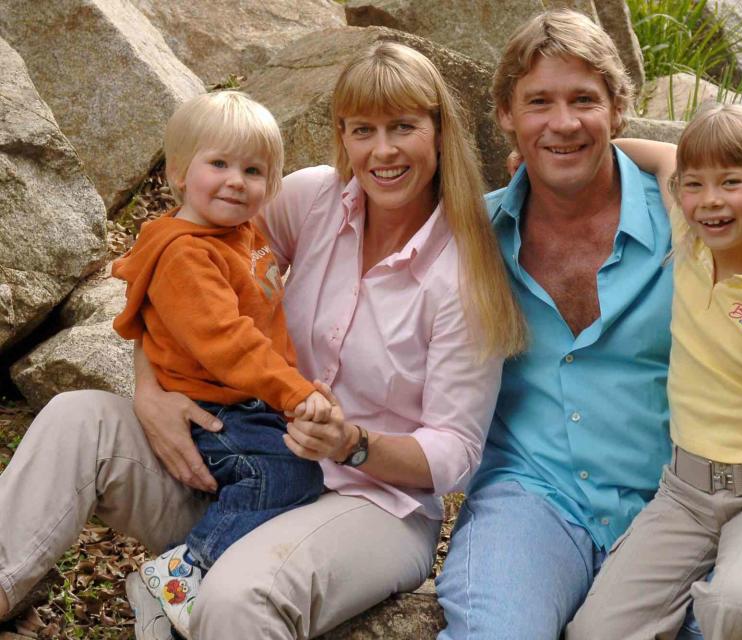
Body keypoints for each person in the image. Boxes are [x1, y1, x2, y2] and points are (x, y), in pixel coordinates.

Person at [0, 41, 525, 639]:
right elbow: (190, 287)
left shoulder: (463, 274)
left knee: (234, 600)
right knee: (77, 420)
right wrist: (149, 390)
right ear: (342, 136)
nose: (382, 150)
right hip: (246, 468)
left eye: (403, 127)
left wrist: (351, 443)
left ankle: (190, 577)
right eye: (363, 130)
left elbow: (455, 452)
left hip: (374, 504)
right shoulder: (311, 199)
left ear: (437, 131)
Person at [435, 10, 742, 640]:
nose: (564, 122)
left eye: (584, 101)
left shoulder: (697, 217)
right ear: (506, 118)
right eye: (538, 102)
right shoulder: (474, 237)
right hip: (534, 499)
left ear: (619, 110)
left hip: (689, 497)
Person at [567, 103, 742, 640]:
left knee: (736, 607)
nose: (710, 200)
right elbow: (666, 156)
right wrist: (576, 157)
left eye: (732, 182)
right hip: (683, 494)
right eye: (696, 185)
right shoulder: (689, 241)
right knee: (596, 632)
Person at [111, 91, 333, 638]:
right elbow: (227, 341)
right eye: (219, 164)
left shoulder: (238, 232)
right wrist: (294, 392)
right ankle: (185, 570)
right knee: (283, 472)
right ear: (179, 173)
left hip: (245, 398)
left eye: (253, 170)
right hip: (211, 405)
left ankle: (195, 573)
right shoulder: (187, 254)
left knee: (297, 476)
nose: (237, 181)